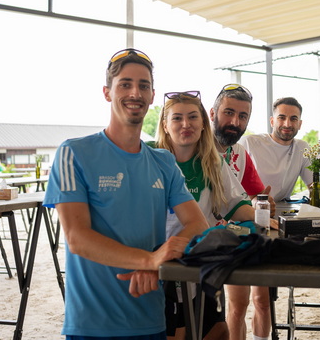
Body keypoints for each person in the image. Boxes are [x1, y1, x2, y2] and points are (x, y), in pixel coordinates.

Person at [43, 48, 209, 339]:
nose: (135, 93)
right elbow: (77, 238)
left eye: (143, 85)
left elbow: (197, 223)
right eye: (125, 84)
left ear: (152, 96)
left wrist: (161, 257)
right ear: (107, 92)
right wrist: (148, 260)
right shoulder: (74, 153)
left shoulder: (163, 162)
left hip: (151, 318)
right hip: (92, 324)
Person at [154, 90, 256, 340]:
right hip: (165, 266)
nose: (186, 124)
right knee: (178, 334)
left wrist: (263, 217)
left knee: (219, 332)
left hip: (202, 263)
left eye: (192, 117)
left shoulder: (213, 162)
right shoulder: (150, 159)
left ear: (203, 124)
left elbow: (237, 205)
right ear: (165, 125)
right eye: (177, 118)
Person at [210, 84, 274, 340]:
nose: (235, 122)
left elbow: (257, 195)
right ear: (212, 112)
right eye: (229, 112)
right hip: (206, 241)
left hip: (238, 232)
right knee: (236, 306)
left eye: (242, 116)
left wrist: (260, 204)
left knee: (262, 300)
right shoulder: (197, 147)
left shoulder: (239, 152)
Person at [239, 97, 313, 202]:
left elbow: (313, 185)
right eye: (281, 118)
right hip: (247, 207)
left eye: (293, 119)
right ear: (272, 121)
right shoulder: (248, 143)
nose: (287, 124)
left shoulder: (302, 148)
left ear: (300, 124)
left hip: (281, 209)